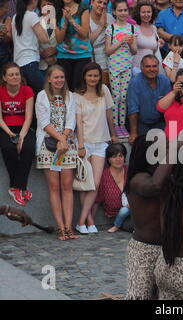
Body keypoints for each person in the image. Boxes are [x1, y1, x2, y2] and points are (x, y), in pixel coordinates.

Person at [125, 104, 183, 300]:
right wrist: (173, 151)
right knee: (139, 297)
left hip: (166, 251)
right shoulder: (139, 179)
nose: (166, 152)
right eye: (160, 150)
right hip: (143, 250)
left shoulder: (164, 174)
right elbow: (154, 186)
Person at [35, 65, 78, 241]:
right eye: (56, 77)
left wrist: (64, 139)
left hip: (66, 145)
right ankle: (60, 227)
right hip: (49, 144)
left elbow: (71, 120)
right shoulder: (42, 96)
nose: (59, 80)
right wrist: (60, 139)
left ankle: (69, 226)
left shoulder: (71, 96)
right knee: (54, 187)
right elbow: (44, 122)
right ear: (49, 79)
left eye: (62, 77)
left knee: (67, 186)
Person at [74, 62, 117, 234]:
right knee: (86, 181)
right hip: (85, 143)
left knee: (95, 184)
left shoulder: (104, 90)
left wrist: (113, 134)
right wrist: (81, 145)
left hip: (101, 141)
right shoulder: (77, 96)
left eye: (96, 75)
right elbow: (78, 122)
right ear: (84, 76)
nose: (93, 78)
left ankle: (81, 220)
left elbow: (109, 114)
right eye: (90, 75)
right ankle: (88, 220)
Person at [0, 62, 36, 206]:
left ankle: (17, 187)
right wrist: (10, 134)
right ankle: (20, 187)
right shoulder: (1, 90)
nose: (15, 77)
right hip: (5, 127)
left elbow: (28, 117)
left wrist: (21, 136)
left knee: (28, 148)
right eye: (11, 75)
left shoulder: (27, 90)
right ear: (4, 77)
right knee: (8, 148)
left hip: (24, 127)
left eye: (17, 74)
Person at [105, 0, 138, 139]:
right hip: (114, 66)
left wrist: (130, 44)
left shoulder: (132, 28)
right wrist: (121, 41)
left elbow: (135, 51)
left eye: (125, 10)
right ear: (114, 12)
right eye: (120, 10)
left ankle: (122, 125)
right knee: (116, 97)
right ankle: (115, 124)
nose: (123, 13)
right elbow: (107, 50)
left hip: (126, 66)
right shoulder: (110, 28)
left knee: (124, 97)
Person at [127, 54, 171, 143]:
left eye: (154, 66)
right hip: (140, 121)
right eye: (148, 66)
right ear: (142, 68)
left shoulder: (165, 81)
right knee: (145, 142)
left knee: (166, 140)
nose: (152, 69)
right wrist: (133, 133)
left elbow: (170, 107)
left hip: (159, 121)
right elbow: (133, 110)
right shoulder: (135, 82)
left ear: (158, 68)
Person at [12, 0, 49, 94]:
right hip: (30, 63)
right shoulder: (31, 15)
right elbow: (44, 39)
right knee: (45, 93)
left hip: (18, 64)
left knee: (28, 96)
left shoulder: (15, 17)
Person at [55, 0, 92, 91]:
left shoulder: (83, 9)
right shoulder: (57, 10)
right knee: (64, 90)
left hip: (82, 56)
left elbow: (84, 34)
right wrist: (65, 22)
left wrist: (71, 20)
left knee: (79, 90)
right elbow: (59, 39)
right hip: (63, 56)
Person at [92, 143, 129, 233]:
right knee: (130, 226)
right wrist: (90, 222)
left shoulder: (129, 170)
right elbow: (96, 200)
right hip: (117, 215)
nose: (118, 159)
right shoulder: (104, 175)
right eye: (114, 157)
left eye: (121, 156)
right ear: (108, 159)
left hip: (135, 212)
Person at [89, 0, 115, 87]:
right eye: (99, 2)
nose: (102, 5)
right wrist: (100, 26)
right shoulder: (86, 18)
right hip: (92, 61)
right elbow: (88, 42)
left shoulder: (110, 18)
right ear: (92, 2)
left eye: (105, 3)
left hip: (109, 61)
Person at [131, 1, 161, 76]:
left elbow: (155, 49)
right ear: (138, 13)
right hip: (137, 69)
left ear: (152, 13)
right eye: (143, 12)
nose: (146, 15)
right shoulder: (134, 28)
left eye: (149, 12)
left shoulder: (154, 28)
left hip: (151, 69)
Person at [38, 0, 58, 74]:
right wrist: (42, 54)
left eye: (49, 4)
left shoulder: (60, 20)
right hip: (42, 64)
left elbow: (67, 41)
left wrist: (56, 50)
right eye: (43, 5)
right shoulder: (36, 22)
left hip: (59, 61)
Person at [0, 0, 12, 67]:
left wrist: (4, 35)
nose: (7, 10)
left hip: (3, 56)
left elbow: (9, 39)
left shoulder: (7, 19)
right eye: (6, 7)